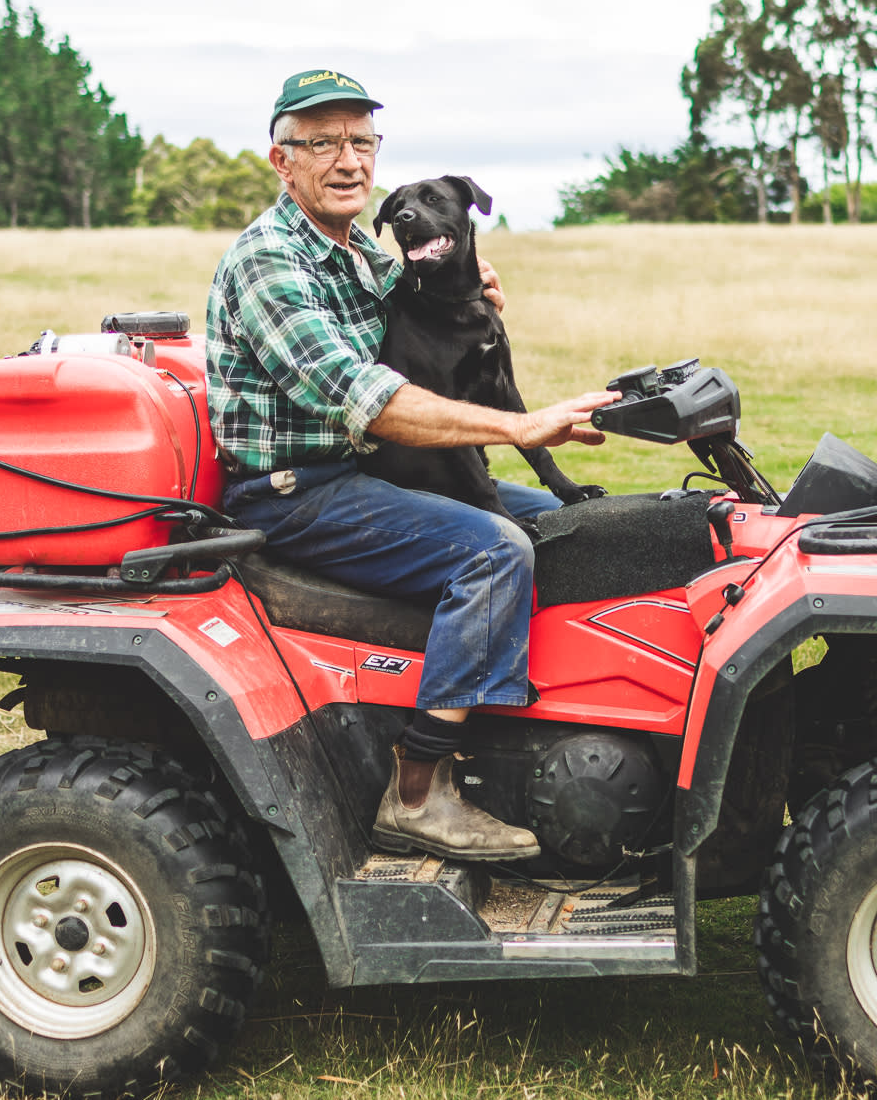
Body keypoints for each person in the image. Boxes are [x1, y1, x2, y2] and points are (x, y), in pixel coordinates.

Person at [205, 69, 614, 862]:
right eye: (323, 142)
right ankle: (419, 790)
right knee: (494, 550)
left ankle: (546, 726)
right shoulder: (269, 260)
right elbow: (366, 396)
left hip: (369, 473)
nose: (349, 159)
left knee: (572, 522)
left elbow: (430, 309)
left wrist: (472, 285)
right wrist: (520, 424)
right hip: (296, 493)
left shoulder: (359, 249)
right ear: (282, 161)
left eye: (362, 140)